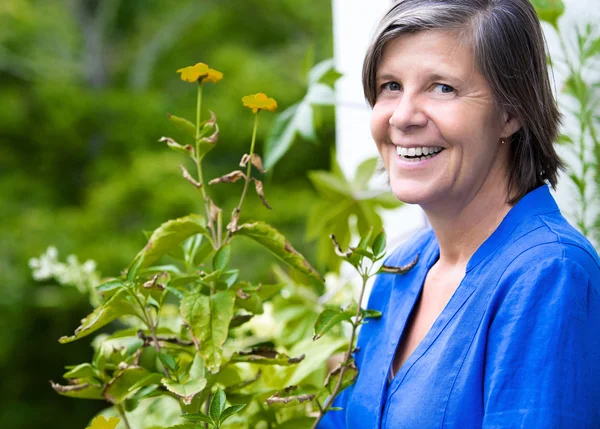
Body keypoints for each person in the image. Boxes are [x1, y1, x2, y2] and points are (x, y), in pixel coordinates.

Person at [317, 0, 600, 427]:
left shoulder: (548, 274)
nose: (403, 116)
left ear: (511, 112)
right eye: (390, 85)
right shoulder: (399, 267)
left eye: (442, 87)